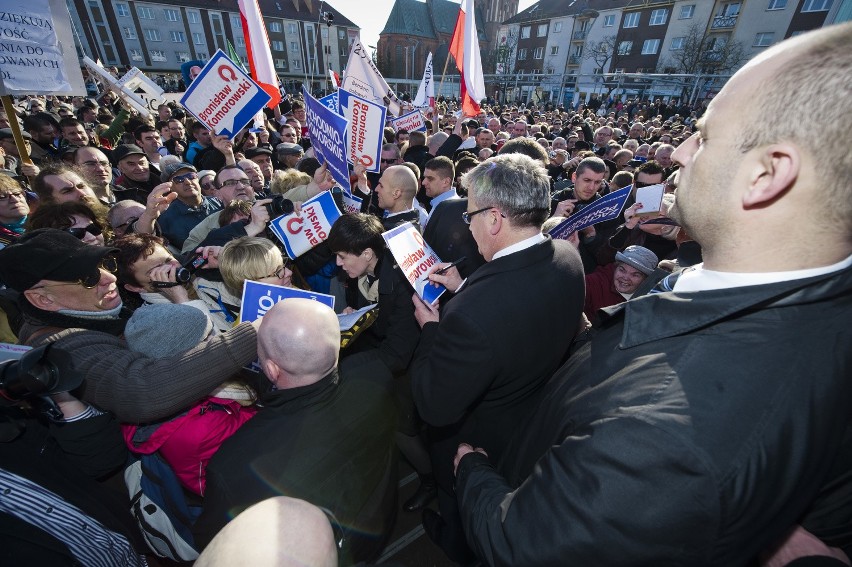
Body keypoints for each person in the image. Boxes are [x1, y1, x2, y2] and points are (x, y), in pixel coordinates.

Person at [452, 23, 852, 566]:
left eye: (706, 135)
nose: (683, 152)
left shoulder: (666, 438)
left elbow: (525, 546)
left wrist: (472, 470)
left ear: (768, 174)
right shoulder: (788, 308)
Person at [410, 153, 586, 561]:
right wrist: (466, 284)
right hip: (532, 420)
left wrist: (432, 330)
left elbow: (434, 405)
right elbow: (518, 306)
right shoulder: (566, 255)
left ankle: (454, 543)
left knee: (463, 518)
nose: (466, 225)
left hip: (476, 444)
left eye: (468, 215)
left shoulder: (472, 316)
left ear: (494, 218)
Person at [193, 299, 397, 565]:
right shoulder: (376, 374)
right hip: (377, 523)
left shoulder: (233, 465)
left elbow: (216, 542)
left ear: (271, 369)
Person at [0, 229, 260, 424]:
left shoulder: (98, 312)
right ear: (43, 299)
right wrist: (257, 332)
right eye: (88, 278)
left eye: (105, 265)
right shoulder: (62, 348)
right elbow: (142, 393)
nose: (109, 278)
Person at [583, 245, 657, 325]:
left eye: (635, 275)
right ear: (616, 267)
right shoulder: (592, 283)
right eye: (622, 270)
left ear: (645, 280)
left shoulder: (647, 302)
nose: (625, 277)